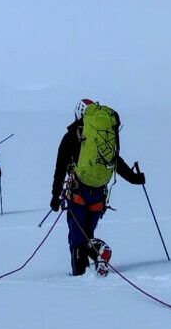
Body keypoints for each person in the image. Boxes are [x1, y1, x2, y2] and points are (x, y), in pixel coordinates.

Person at [54, 98, 145, 275]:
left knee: (76, 238)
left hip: (77, 192)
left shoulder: (71, 137)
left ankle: (80, 276)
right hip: (99, 195)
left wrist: (55, 196)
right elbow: (115, 160)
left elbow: (60, 168)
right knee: (87, 232)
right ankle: (97, 256)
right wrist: (134, 178)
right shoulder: (103, 136)